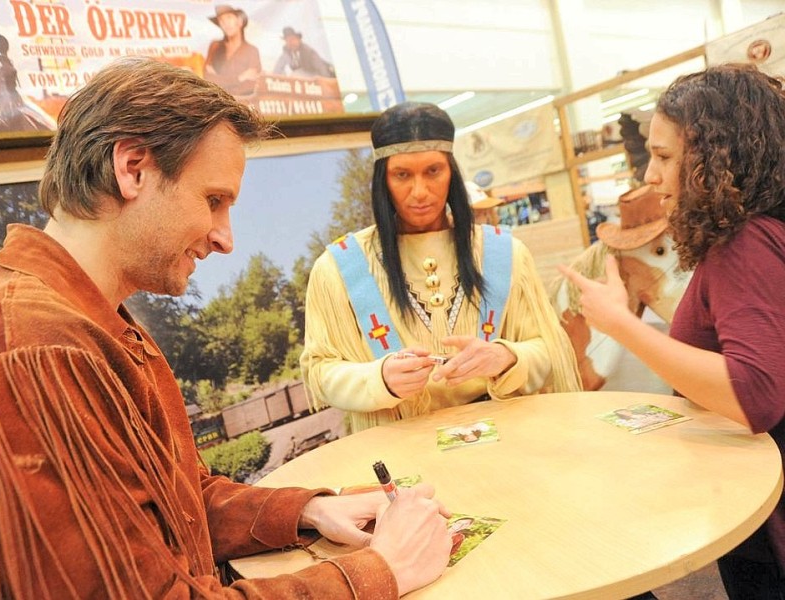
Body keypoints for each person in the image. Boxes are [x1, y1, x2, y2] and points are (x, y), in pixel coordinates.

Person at [0, 57, 453, 599]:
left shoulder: (92, 321)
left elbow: (173, 504)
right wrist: (381, 571)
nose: (225, 238)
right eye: (214, 201)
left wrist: (309, 509)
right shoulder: (36, 348)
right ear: (132, 167)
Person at [560, 63, 785, 599]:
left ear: (714, 158)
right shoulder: (767, 230)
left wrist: (618, 323)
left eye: (664, 157)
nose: (649, 176)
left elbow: (755, 393)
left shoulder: (745, 243)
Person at [301, 102, 581, 433]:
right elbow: (320, 370)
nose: (419, 192)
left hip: (501, 435)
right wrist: (378, 379)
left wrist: (506, 357)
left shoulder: (504, 253)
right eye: (402, 175)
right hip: (399, 441)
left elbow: (548, 350)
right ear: (382, 180)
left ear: (451, 172)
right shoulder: (338, 267)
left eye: (433, 171)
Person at [204, 4, 261, 96]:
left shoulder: (252, 51)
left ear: (239, 21)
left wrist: (220, 81)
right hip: (217, 103)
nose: (226, 23)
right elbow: (208, 78)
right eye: (221, 20)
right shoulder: (215, 46)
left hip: (241, 104)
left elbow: (251, 85)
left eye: (229, 18)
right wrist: (240, 78)